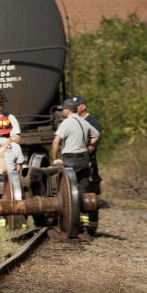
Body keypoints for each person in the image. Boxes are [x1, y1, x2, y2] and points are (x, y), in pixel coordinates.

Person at [51, 97, 100, 237]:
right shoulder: (84, 122)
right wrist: (87, 145)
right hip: (84, 159)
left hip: (70, 159)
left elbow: (56, 142)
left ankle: (72, 222)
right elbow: (96, 135)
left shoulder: (66, 123)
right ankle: (84, 225)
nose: (62, 112)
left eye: (63, 110)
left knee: (66, 190)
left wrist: (55, 159)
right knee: (82, 189)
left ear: (67, 110)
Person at [72, 95, 102, 235]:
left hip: (89, 164)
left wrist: (78, 152)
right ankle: (80, 224)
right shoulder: (73, 121)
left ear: (83, 106)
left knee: (91, 194)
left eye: (76, 105)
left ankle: (91, 226)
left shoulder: (92, 122)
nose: (74, 108)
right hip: (76, 163)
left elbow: (93, 146)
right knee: (77, 193)